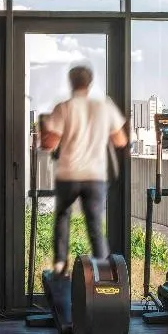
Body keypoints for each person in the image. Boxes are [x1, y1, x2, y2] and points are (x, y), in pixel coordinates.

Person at [39, 64, 127, 277]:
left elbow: (49, 144)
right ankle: (103, 272)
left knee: (63, 216)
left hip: (69, 174)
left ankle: (60, 265)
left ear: (71, 82)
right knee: (94, 223)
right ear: (90, 83)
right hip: (95, 176)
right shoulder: (104, 107)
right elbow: (121, 140)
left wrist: (44, 129)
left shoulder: (64, 107)